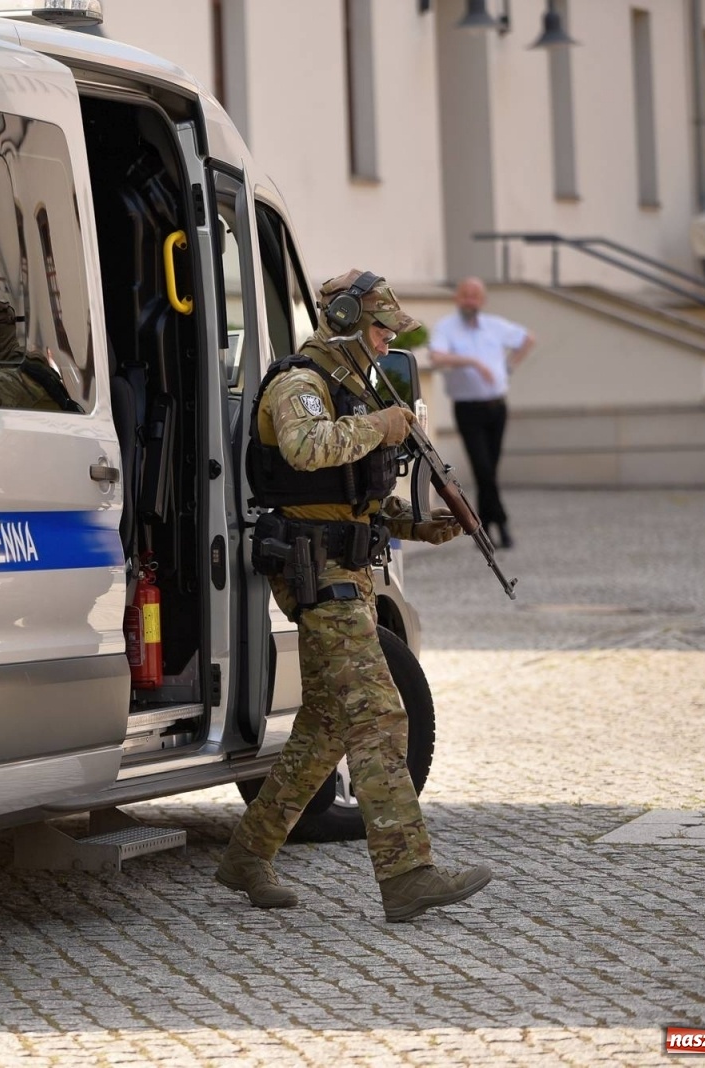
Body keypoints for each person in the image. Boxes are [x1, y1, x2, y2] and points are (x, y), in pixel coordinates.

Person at [216, 269, 492, 922]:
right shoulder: (300, 386)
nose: (383, 342)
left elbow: (351, 507)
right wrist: (384, 427)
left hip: (347, 578)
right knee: (379, 716)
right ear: (341, 318)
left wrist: (427, 524)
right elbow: (306, 450)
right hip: (318, 579)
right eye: (378, 328)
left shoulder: (349, 395)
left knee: (324, 729)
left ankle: (247, 855)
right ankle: (407, 874)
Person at [428, 277, 535, 550]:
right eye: (465, 295)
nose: (470, 301)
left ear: (482, 300)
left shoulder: (495, 326)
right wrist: (472, 362)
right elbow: (437, 357)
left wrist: (508, 368)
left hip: (497, 407)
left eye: (475, 296)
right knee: (483, 469)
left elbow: (528, 338)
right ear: (457, 298)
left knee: (490, 471)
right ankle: (499, 523)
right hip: (468, 409)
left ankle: (487, 524)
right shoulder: (446, 328)